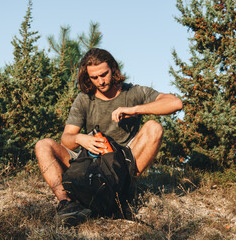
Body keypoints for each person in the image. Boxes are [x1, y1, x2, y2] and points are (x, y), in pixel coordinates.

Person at [35, 48, 183, 225]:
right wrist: (80, 138)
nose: (100, 81)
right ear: (87, 77)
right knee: (43, 145)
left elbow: (175, 103)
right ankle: (67, 204)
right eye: (94, 77)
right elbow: (66, 139)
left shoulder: (133, 92)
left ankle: (121, 194)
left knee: (154, 127)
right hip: (90, 161)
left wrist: (134, 110)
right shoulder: (84, 99)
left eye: (104, 74)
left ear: (113, 69)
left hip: (123, 162)